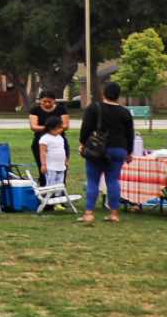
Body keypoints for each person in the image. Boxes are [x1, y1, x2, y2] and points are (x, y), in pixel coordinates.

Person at [78, 81, 135, 225]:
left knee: (93, 181)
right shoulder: (125, 112)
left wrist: (82, 144)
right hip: (119, 149)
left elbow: (86, 128)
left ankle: (89, 213)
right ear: (118, 95)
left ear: (103, 93)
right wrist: (129, 152)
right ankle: (114, 214)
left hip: (97, 149)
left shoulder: (94, 108)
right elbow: (130, 134)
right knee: (113, 181)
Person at [37, 125, 69, 198]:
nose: (61, 129)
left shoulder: (60, 138)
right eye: (59, 128)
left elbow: (62, 150)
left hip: (61, 166)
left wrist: (65, 161)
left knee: (60, 184)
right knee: (51, 184)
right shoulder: (45, 138)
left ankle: (58, 198)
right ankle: (48, 198)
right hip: (51, 167)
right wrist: (43, 165)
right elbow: (42, 152)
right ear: (52, 128)